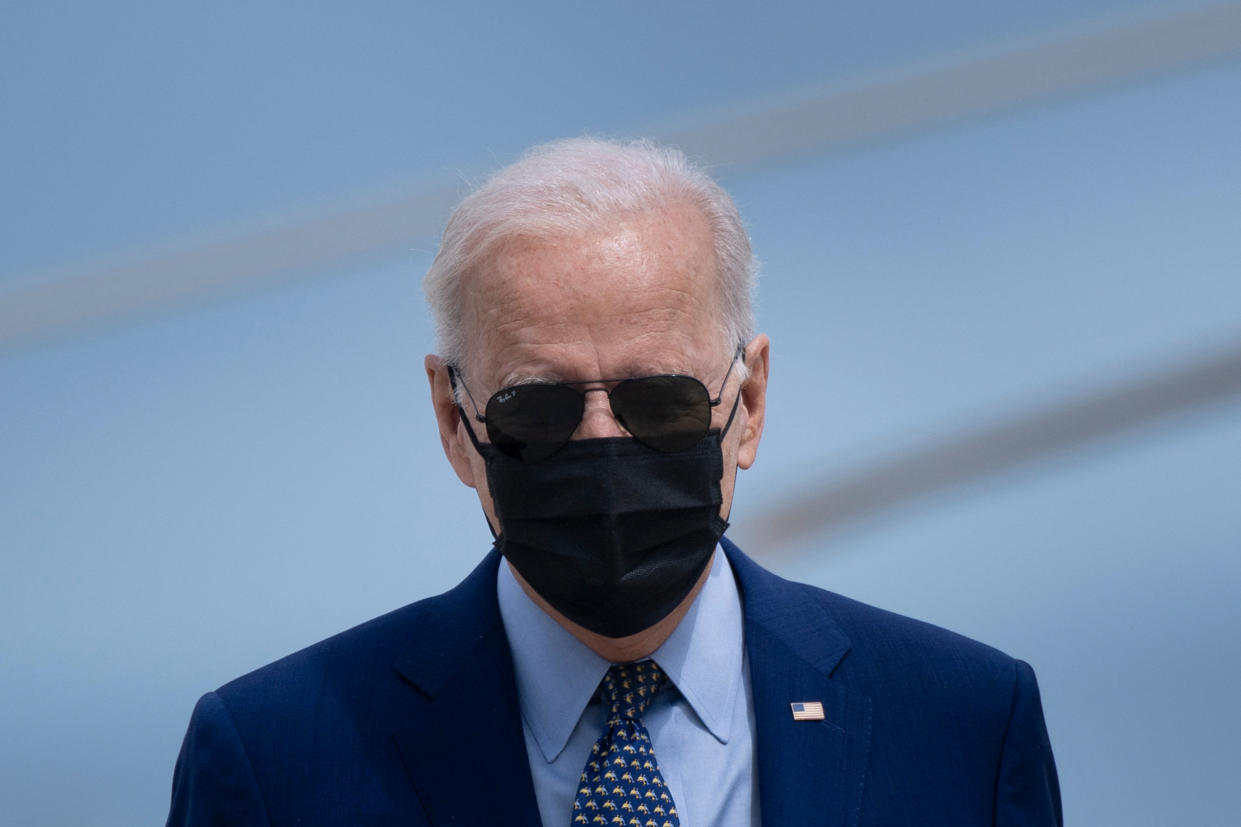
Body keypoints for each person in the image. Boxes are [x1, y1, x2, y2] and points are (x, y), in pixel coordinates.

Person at [166, 137, 1062, 826]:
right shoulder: (276, 761)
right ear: (454, 420)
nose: (602, 440)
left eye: (660, 399)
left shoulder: (960, 725)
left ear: (746, 402)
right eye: (538, 408)